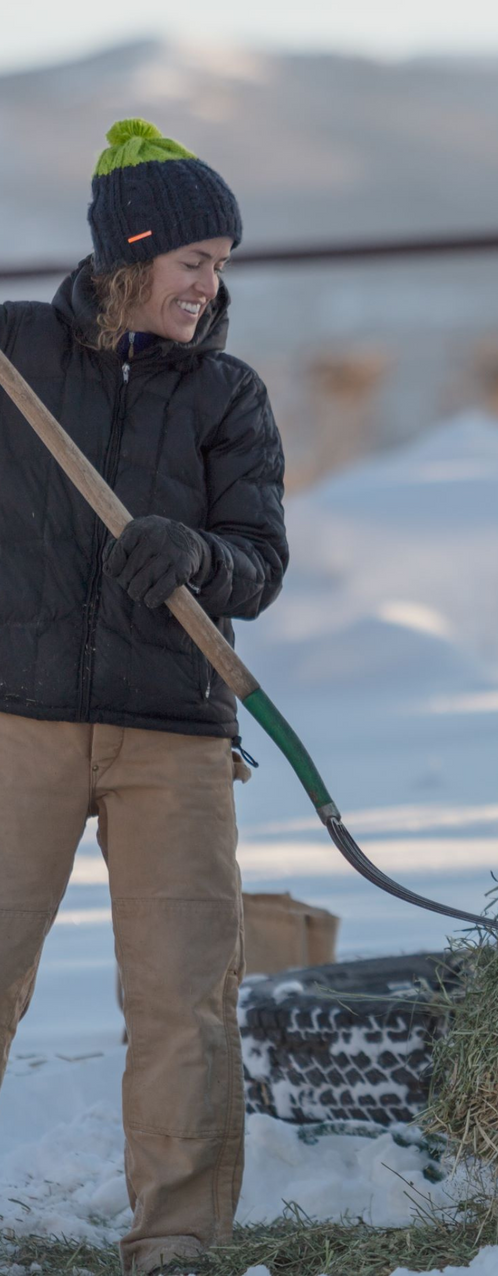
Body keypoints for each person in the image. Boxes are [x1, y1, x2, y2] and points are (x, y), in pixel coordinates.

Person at [0, 118, 287, 1273]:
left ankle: (173, 1238)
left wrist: (198, 556)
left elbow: (257, 561)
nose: (210, 285)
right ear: (131, 257)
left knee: (183, 999)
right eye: (193, 261)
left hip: (173, 730)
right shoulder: (15, 357)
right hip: (17, 715)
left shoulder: (228, 395)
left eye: (219, 264)